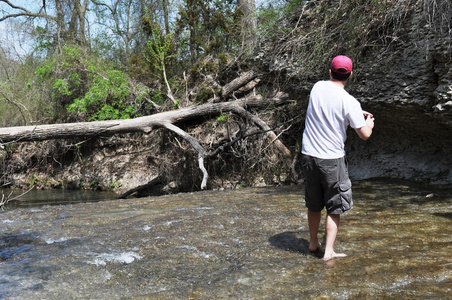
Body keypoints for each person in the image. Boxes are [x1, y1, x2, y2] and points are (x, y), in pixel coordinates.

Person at [301, 55, 375, 261]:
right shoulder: (349, 101)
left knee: (314, 203)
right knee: (334, 205)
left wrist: (356, 112)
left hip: (308, 155)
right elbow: (364, 135)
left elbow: (330, 104)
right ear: (350, 74)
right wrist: (368, 122)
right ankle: (329, 251)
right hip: (332, 160)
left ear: (329, 71)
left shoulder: (317, 87)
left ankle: (314, 242)